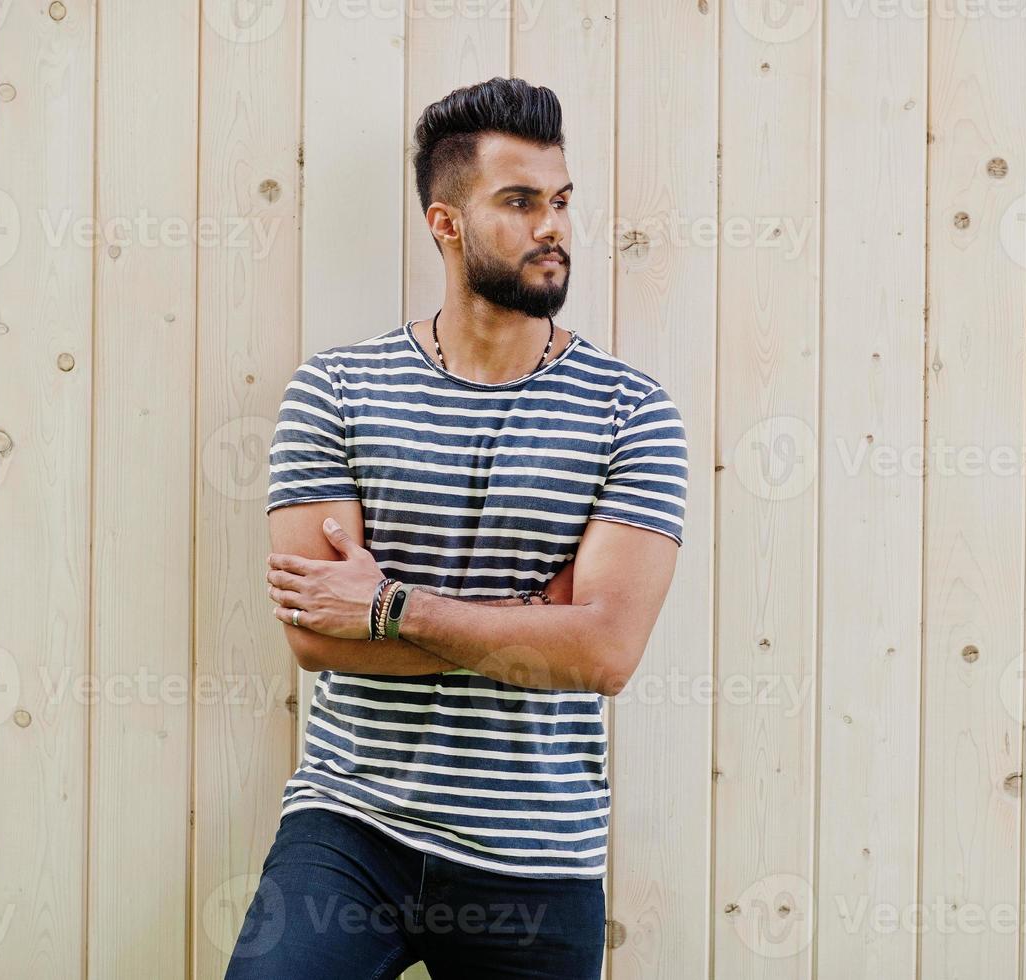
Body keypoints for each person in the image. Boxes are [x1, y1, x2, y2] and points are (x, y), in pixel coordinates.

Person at [225, 75, 688, 979]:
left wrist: (388, 605)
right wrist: (529, 620)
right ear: (445, 223)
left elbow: (604, 656)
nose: (551, 226)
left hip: (537, 855)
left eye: (559, 201)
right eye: (518, 202)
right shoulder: (336, 391)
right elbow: (316, 639)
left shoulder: (632, 412)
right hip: (351, 828)